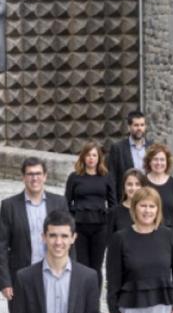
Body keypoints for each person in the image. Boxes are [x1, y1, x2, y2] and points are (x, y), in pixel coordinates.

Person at [0, 157, 69, 313]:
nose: (34, 178)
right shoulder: (10, 206)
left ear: (45, 176)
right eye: (29, 174)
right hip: (21, 278)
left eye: (38, 173)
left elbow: (69, 241)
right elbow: (1, 246)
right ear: (23, 177)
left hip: (54, 274)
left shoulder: (59, 202)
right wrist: (5, 281)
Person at [65, 142, 114, 280]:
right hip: (80, 225)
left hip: (100, 226)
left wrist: (109, 224)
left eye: (94, 155)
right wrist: (71, 222)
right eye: (88, 155)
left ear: (99, 158)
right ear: (83, 157)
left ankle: (94, 300)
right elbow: (66, 202)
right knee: (81, 265)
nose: (91, 158)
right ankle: (82, 298)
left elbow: (112, 204)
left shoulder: (106, 177)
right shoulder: (74, 177)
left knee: (96, 267)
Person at [144, 144, 173, 248]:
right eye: (155, 159)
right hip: (144, 235)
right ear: (149, 161)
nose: (159, 163)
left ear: (167, 162)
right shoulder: (142, 183)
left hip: (169, 238)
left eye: (162, 160)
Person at [107, 110, 152, 201]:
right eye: (136, 125)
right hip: (125, 199)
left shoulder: (152, 147)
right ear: (129, 127)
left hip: (147, 198)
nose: (139, 128)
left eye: (142, 125)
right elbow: (112, 178)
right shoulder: (117, 148)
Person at [109, 169, 149, 237]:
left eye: (137, 184)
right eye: (129, 184)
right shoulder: (114, 212)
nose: (133, 188)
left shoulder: (150, 211)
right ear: (124, 187)